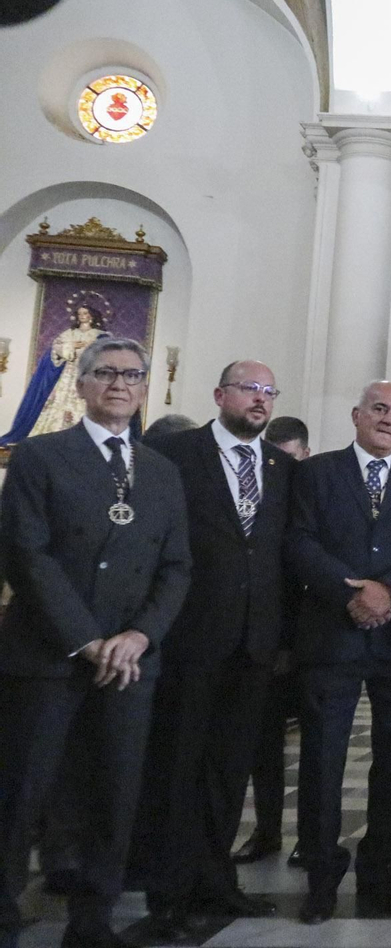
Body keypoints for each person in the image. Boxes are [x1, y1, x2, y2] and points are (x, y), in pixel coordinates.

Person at [0, 336, 190, 948]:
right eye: (105, 373)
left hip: (130, 664)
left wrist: (139, 635)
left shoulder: (162, 471)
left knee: (115, 794)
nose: (119, 384)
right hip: (48, 657)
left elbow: (176, 566)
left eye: (132, 375)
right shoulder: (39, 456)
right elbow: (27, 556)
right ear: (80, 384)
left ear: (143, 389)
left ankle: (93, 918)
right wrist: (85, 639)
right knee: (23, 791)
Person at [133, 362, 292, 936]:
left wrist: (282, 640)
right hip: (190, 639)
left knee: (228, 769)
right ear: (220, 393)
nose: (259, 399)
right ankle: (168, 894)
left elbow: (279, 558)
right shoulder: (177, 455)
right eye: (249, 389)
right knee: (177, 768)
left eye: (268, 392)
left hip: (254, 645)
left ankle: (216, 882)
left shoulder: (278, 466)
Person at [286, 381, 391, 924]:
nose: (389, 419)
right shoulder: (316, 473)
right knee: (323, 760)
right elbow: (300, 541)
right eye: (379, 409)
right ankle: (322, 878)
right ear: (356, 415)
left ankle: (383, 875)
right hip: (332, 633)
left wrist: (387, 591)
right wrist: (350, 591)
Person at [233, 414, 310, 866]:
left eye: (290, 458)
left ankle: (310, 837)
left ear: (305, 454)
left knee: (319, 747)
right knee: (264, 744)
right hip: (265, 637)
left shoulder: (316, 490)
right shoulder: (257, 490)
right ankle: (266, 831)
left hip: (310, 638)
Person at [0, 302, 106, 444]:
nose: (82, 316)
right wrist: (71, 346)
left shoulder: (99, 336)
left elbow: (104, 355)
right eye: (80, 314)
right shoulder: (69, 334)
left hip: (87, 376)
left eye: (85, 313)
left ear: (91, 316)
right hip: (67, 377)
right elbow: (55, 350)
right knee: (57, 405)